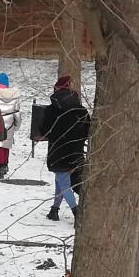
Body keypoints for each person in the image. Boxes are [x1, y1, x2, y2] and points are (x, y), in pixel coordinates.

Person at [40, 76, 90, 221]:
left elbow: (45, 131)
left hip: (58, 151)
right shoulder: (81, 110)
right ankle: (54, 210)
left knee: (64, 182)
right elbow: (88, 129)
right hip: (76, 151)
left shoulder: (51, 110)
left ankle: (77, 212)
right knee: (60, 180)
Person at [0, 72, 21, 180]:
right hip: (10, 123)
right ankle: (5, 164)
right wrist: (16, 126)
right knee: (6, 145)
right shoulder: (14, 96)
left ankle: (0, 167)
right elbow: (17, 113)